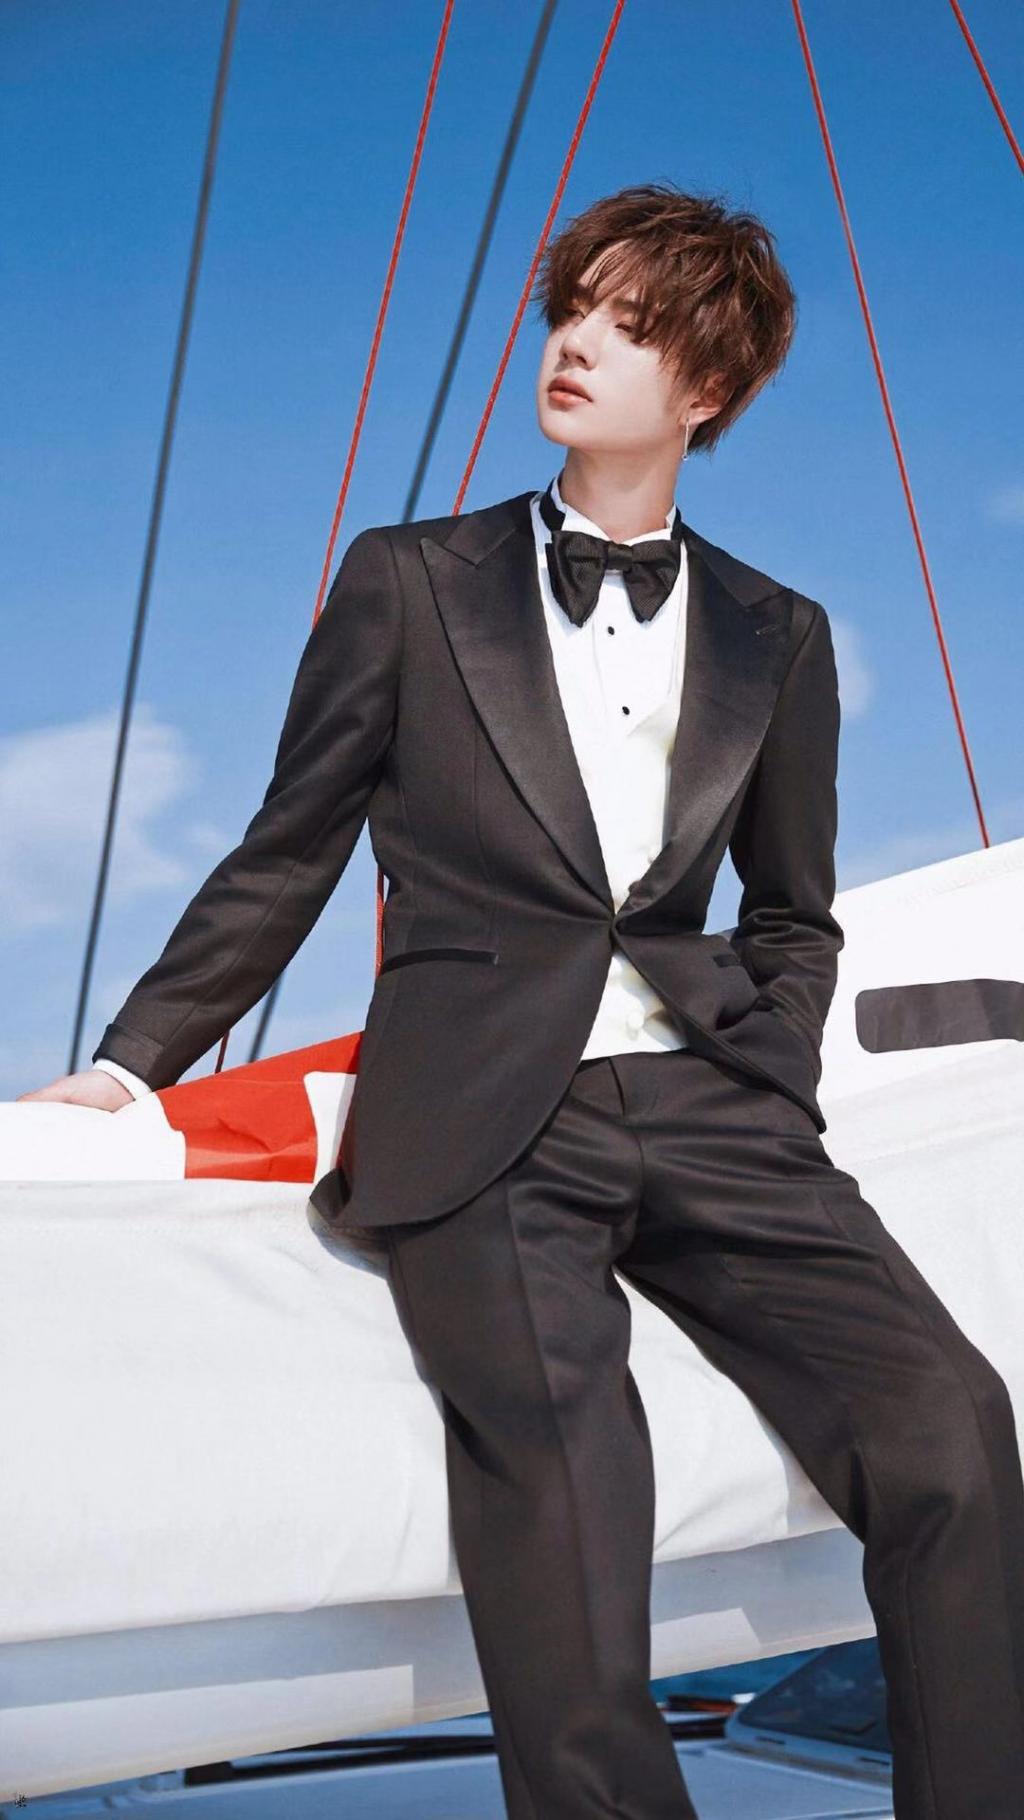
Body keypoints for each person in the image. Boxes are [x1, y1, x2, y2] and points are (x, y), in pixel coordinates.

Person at [22, 183, 1024, 1819]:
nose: (574, 342)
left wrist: (772, 1066)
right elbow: (289, 851)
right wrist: (135, 1066)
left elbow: (794, 909)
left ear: (707, 387)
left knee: (957, 1433)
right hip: (483, 1115)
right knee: (567, 1481)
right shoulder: (410, 581)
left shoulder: (781, 633)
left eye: (629, 324)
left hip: (714, 1103)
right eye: (571, 307)